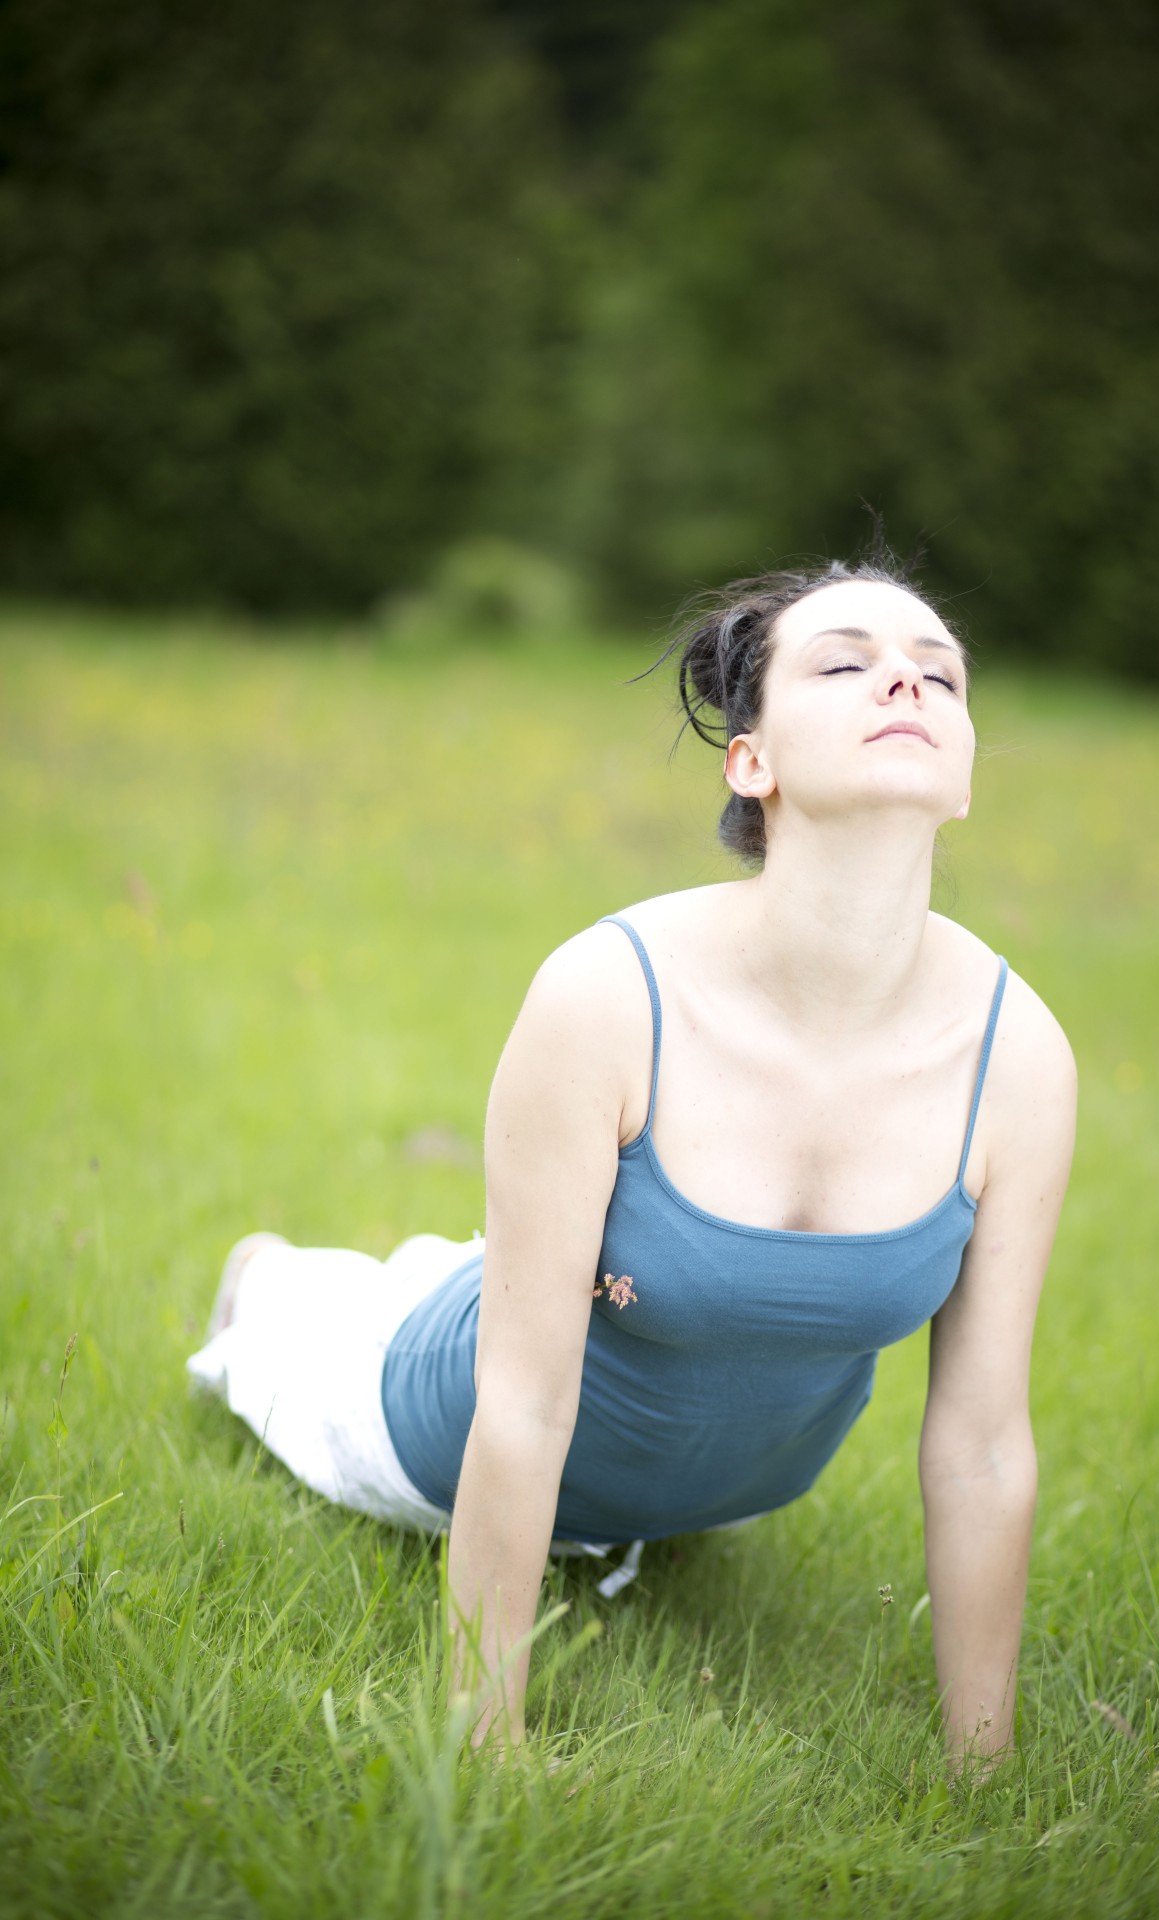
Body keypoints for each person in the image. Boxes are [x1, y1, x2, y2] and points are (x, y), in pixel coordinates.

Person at [188, 552, 1076, 1772]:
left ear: (965, 771)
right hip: (432, 1421)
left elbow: (980, 1443)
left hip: (708, 1476)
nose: (903, 685)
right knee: (296, 1333)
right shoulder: (607, 995)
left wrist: (986, 1772)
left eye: (938, 673)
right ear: (749, 758)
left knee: (573, 1279)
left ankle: (471, 1285)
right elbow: (522, 1402)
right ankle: (273, 1282)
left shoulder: (1017, 1053)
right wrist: (482, 1742)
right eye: (844, 663)